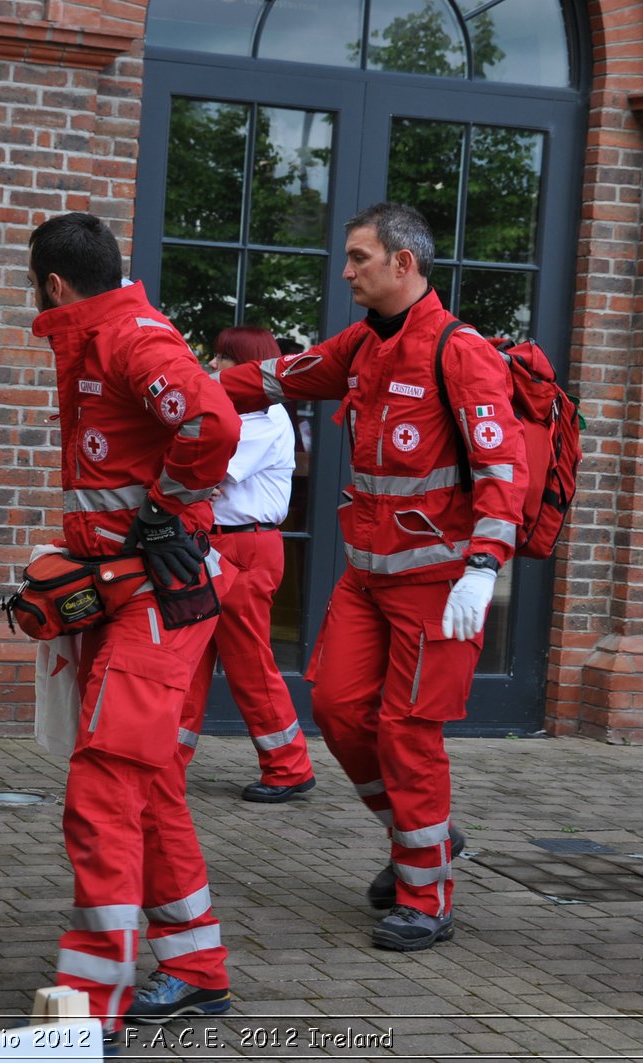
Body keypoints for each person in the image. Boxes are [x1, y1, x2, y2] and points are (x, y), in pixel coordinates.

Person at [215, 202, 528, 952]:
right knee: (340, 708)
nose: (347, 270)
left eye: (359, 257)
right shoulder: (362, 344)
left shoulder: (460, 351)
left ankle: (426, 891)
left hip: (437, 583)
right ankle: (421, 837)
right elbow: (276, 378)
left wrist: (484, 567)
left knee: (407, 732)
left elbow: (502, 470)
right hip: (367, 577)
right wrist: (177, 382)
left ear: (404, 264)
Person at [26, 212, 243, 1034]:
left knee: (104, 784)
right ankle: (195, 967)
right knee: (149, 785)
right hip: (130, 590)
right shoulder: (102, 335)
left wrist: (165, 510)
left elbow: (212, 421)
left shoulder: (126, 339)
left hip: (155, 595)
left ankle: (90, 1007)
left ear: (53, 283)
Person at [189, 324, 317, 802]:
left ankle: (289, 767)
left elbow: (204, 475)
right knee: (190, 657)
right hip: (220, 545)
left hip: (244, 548)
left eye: (223, 359)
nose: (215, 367)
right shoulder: (246, 413)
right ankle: (162, 761)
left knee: (248, 663)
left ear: (245, 366)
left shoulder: (265, 421)